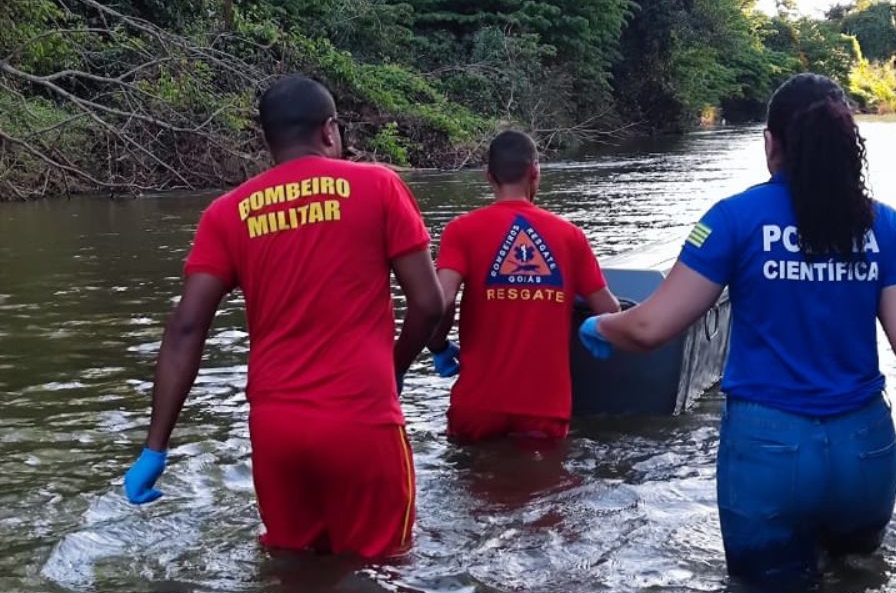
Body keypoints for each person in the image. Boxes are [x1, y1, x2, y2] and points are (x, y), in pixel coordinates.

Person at [577, 73, 896, 588]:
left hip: (769, 456)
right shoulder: (883, 225)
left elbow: (651, 328)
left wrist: (602, 324)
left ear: (771, 143)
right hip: (865, 452)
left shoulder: (734, 219)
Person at [121, 76, 444, 559]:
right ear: (330, 131)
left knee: (290, 573)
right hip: (360, 419)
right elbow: (429, 303)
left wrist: (156, 447)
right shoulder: (378, 186)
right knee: (383, 578)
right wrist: (395, 369)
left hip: (276, 431)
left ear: (267, 141)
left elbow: (186, 327)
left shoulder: (227, 213)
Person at [429, 129, 620, 442]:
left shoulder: (461, 231)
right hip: (544, 408)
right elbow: (608, 311)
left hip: (477, 405)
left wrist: (437, 346)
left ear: (488, 176)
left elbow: (441, 301)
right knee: (543, 488)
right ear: (535, 171)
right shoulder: (570, 236)